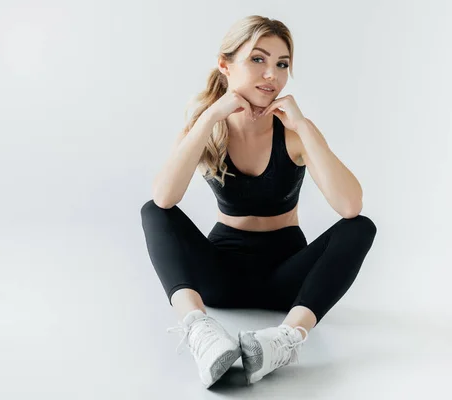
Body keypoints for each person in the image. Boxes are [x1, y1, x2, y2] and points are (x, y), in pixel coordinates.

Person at [140, 15, 377, 389]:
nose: (272, 74)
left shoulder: (294, 132)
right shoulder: (206, 128)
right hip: (220, 277)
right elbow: (164, 197)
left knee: (361, 227)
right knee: (153, 211)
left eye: (282, 64)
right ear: (225, 65)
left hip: (288, 279)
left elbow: (350, 206)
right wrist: (211, 116)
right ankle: (200, 330)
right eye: (258, 59)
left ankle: (286, 339)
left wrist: (303, 127)